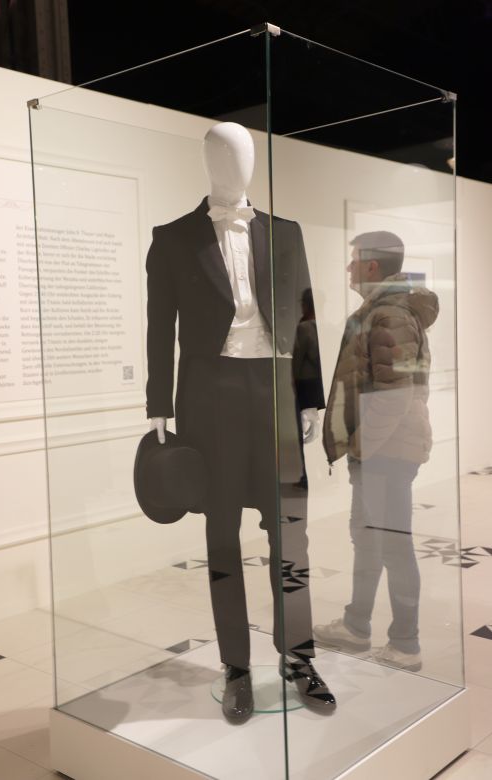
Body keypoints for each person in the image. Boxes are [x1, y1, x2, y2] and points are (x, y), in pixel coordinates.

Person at [146, 122, 335, 723]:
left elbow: (305, 317)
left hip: (277, 391)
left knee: (291, 530)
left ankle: (299, 656)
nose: (236, 165)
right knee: (222, 533)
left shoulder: (286, 232)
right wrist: (159, 403)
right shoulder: (173, 238)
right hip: (210, 395)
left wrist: (310, 395)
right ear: (206, 161)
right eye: (223, 154)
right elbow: (159, 326)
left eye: (245, 154)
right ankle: (235, 666)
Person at [314, 231, 438, 671]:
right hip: (380, 450)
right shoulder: (383, 312)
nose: (348, 268)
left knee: (393, 546)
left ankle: (405, 644)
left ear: (370, 265)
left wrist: (362, 449)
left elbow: (394, 394)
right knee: (368, 540)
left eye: (354, 260)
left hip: (386, 453)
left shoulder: (390, 315)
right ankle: (356, 625)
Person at [292, 287, 325, 489]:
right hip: (321, 386)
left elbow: (296, 360)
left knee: (304, 432)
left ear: (305, 305)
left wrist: (291, 383)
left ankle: (307, 476)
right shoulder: (326, 326)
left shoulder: (304, 328)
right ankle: (325, 473)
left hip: (306, 386)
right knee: (318, 430)